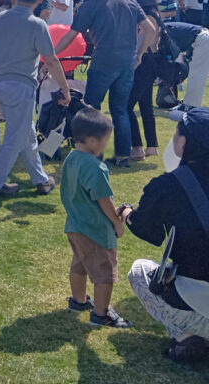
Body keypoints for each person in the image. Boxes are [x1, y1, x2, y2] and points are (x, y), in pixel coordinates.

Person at [124, 108, 209, 362]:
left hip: (200, 292)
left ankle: (185, 336)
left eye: (177, 132)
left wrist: (127, 213)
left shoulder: (168, 185)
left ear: (184, 142)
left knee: (140, 271)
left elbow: (147, 230)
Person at [55, 0, 157, 167]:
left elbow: (71, 35)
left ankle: (94, 153)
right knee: (120, 110)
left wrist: (52, 54)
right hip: (127, 63)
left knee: (92, 109)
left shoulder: (90, 5)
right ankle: (122, 156)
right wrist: (139, 53)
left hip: (102, 62)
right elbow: (151, 30)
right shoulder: (130, 2)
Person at [0, 0, 70, 196]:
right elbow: (51, 60)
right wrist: (65, 90)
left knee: (26, 134)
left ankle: (41, 180)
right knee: (15, 137)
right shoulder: (37, 24)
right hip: (21, 87)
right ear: (40, 0)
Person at [60, 107, 133, 329]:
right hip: (96, 230)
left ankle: (79, 301)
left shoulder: (71, 158)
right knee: (105, 275)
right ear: (92, 140)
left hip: (75, 225)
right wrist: (117, 223)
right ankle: (101, 314)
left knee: (80, 264)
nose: (106, 146)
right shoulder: (96, 167)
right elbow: (104, 200)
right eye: (105, 141)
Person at [124, 0, 162, 161]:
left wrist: (138, 53)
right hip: (152, 62)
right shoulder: (154, 13)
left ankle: (137, 147)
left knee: (127, 106)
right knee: (145, 105)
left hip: (143, 61)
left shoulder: (145, 16)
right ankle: (152, 146)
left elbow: (147, 36)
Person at [164, 20, 209, 109]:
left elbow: (172, 53)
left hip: (202, 39)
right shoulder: (164, 29)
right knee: (195, 74)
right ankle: (188, 104)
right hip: (197, 41)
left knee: (196, 75)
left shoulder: (164, 31)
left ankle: (191, 106)